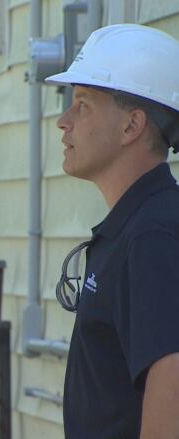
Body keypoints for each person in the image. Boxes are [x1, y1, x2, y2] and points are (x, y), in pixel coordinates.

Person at [47, 24, 179, 438]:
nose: (63, 122)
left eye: (82, 105)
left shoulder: (155, 233)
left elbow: (172, 380)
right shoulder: (136, 226)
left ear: (131, 126)